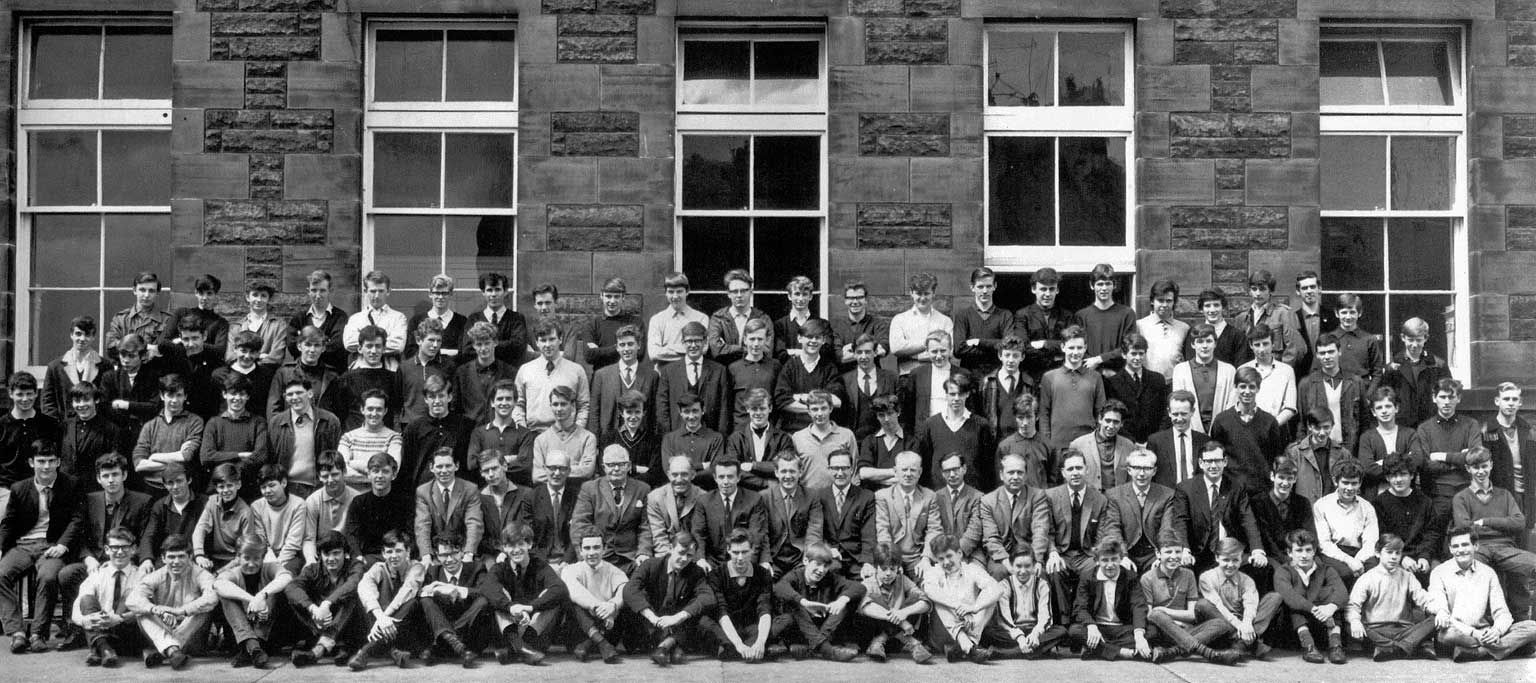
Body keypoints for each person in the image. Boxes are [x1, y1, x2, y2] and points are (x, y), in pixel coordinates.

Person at [59, 452, 154, 648]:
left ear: (124, 475)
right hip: (97, 560)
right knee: (67, 574)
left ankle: (111, 634)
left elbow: (145, 536)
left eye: (115, 474)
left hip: (125, 559)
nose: (111, 480)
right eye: (106, 476)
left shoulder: (142, 501)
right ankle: (77, 629)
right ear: (98, 479)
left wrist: (144, 559)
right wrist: (87, 558)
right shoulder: (90, 500)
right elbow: (80, 536)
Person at [0, 443, 82, 653]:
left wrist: (63, 544)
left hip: (52, 546)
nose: (46, 467)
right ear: (31, 463)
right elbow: (8, 523)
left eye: (51, 461)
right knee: (0, 575)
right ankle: (17, 633)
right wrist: (1, 548)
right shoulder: (20, 488)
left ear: (58, 462)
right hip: (24, 545)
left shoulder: (71, 484)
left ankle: (38, 634)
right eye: (41, 462)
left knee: (47, 576)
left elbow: (77, 519)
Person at [1428, 526, 1536, 661]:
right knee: (1447, 634)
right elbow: (1442, 612)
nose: (1460, 550)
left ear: (1476, 546)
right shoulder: (1439, 572)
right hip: (1457, 631)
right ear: (1450, 549)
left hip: (1485, 630)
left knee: (1532, 627)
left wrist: (1497, 631)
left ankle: (1479, 652)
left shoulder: (1488, 573)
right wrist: (1474, 633)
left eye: (1465, 545)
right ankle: (1499, 648)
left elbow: (1502, 612)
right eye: (1455, 546)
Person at [1452, 445, 1536, 617]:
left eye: (1484, 466)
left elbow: (1519, 523)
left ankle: (1528, 626)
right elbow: (1465, 527)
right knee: (1476, 578)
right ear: (1468, 469)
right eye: (1476, 467)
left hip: (1506, 548)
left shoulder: (1504, 495)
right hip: (1478, 548)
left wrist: (1485, 521)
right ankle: (1485, 625)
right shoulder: (1461, 498)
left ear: (1491, 465)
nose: (1481, 471)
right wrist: (1504, 524)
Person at [1139, 530, 1241, 664]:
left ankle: (1172, 652)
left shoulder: (1188, 575)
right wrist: (1167, 617)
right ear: (1158, 554)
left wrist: (1167, 611)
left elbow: (1192, 614)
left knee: (1221, 623)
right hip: (1164, 630)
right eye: (1168, 552)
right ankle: (1210, 654)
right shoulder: (1148, 578)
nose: (1174, 556)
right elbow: (1150, 614)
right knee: (1157, 614)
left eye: (1177, 551)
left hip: (1188, 630)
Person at [126, 533, 217, 670]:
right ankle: (173, 651)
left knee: (204, 609)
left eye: (181, 556)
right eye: (171, 557)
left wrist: (181, 611)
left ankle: (168, 649)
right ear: (163, 558)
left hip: (191, 634)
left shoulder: (201, 574)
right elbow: (132, 599)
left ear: (190, 557)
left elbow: (212, 597)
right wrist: (156, 610)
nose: (176, 561)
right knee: (142, 612)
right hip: (163, 629)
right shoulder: (157, 575)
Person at [1346, 533, 1439, 661]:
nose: (1394, 557)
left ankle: (1390, 649)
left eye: (1397, 553)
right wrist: (1355, 621)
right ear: (1378, 553)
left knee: (1436, 619)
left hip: (1404, 630)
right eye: (1389, 552)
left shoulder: (1407, 576)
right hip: (1376, 630)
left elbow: (1423, 598)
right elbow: (1353, 606)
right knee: (1350, 625)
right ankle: (1410, 646)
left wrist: (1439, 611)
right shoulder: (1367, 578)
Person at [623, 528, 708, 666]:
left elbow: (707, 596)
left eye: (690, 555)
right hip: (653, 622)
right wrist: (652, 617)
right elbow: (629, 590)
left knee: (698, 610)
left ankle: (663, 648)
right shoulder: (651, 565)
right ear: (670, 548)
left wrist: (678, 617)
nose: (684, 559)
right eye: (681, 553)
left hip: (678, 623)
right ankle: (672, 646)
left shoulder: (696, 572)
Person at [1177, 441, 1264, 573]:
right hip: (1200, 554)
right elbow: (1180, 521)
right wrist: (1184, 549)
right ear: (1201, 463)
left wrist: (1257, 549)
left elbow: (1248, 519)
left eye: (1217, 461)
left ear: (1225, 462)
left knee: (1262, 567)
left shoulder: (1236, 487)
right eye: (1208, 461)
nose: (1213, 466)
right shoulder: (1186, 489)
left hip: (1231, 552)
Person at [1408, 377, 1483, 528]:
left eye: (1451, 397)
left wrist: (1443, 456)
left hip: (1466, 491)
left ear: (1459, 398)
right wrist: (1459, 460)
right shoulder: (1424, 428)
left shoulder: (1471, 425)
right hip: (1436, 494)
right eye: (1442, 397)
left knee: (1467, 537)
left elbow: (1476, 458)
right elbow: (1426, 465)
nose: (1447, 401)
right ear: (1434, 398)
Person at [348, 528, 426, 670]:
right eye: (389, 552)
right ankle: (394, 652)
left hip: (407, 627)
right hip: (386, 625)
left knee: (412, 602)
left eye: (398, 551)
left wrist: (383, 618)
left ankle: (366, 651)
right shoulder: (379, 568)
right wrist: (380, 618)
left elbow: (405, 592)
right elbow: (364, 587)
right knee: (366, 599)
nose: (394, 556)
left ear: (408, 552)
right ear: (383, 554)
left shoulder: (417, 567)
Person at [69, 526, 146, 667]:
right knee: (86, 599)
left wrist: (119, 618)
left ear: (133, 549)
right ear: (106, 550)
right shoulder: (97, 575)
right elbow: (77, 605)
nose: (120, 552)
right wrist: (84, 620)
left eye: (125, 547)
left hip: (127, 633)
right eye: (115, 547)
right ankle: (105, 649)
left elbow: (147, 610)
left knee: (131, 596)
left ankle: (99, 649)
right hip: (101, 629)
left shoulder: (142, 576)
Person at [775, 542, 865, 661]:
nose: (821, 570)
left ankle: (811, 648)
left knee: (845, 603)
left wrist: (841, 601)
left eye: (825, 566)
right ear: (806, 561)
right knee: (795, 606)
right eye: (817, 564)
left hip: (823, 629)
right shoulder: (795, 576)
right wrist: (803, 602)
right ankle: (827, 650)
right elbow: (779, 587)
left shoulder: (830, 578)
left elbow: (860, 587)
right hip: (800, 631)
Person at [286, 530, 364, 667]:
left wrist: (327, 603)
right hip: (320, 624)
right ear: (320, 555)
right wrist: (313, 609)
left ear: (345, 553)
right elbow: (291, 587)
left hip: (347, 625)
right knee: (295, 599)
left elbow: (353, 583)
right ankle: (338, 647)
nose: (331, 559)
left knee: (352, 596)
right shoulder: (313, 570)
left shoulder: (354, 565)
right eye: (326, 554)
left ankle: (318, 651)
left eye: (336, 553)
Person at [570, 445, 652, 574]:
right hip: (599, 556)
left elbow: (645, 526)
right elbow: (579, 525)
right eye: (611, 465)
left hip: (631, 558)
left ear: (629, 466)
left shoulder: (642, 489)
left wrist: (643, 553)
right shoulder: (590, 489)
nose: (616, 469)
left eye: (621, 464)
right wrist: (585, 557)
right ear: (603, 467)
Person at [1044, 450, 1110, 612]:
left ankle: (1085, 617)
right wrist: (1052, 552)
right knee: (1055, 569)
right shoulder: (1050, 496)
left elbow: (1101, 535)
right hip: (1061, 553)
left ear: (1086, 470)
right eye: (1071, 469)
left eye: (1079, 468)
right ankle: (1064, 620)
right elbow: (1047, 530)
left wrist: (1097, 556)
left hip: (1086, 554)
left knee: (1095, 570)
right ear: (1063, 473)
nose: (1075, 473)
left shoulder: (1099, 499)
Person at [211, 533, 290, 668]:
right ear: (238, 557)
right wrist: (253, 599)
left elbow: (286, 577)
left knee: (275, 588)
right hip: (239, 635)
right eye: (246, 558)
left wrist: (262, 596)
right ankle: (253, 646)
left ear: (263, 558)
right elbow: (218, 584)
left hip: (267, 632)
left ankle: (252, 649)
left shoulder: (269, 568)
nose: (251, 564)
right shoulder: (233, 573)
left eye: (256, 558)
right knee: (225, 595)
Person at [1101, 448, 1185, 572]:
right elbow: (1113, 529)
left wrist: (1163, 556)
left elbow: (1166, 529)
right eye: (1136, 468)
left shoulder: (1167, 495)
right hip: (1127, 551)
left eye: (1147, 468)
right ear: (1129, 470)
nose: (1141, 474)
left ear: (1154, 471)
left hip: (1153, 553)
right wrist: (1122, 556)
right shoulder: (1114, 495)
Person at [701, 528, 777, 662]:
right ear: (728, 550)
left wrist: (760, 641)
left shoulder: (763, 574)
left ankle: (738, 649)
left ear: (753, 550)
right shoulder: (716, 575)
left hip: (751, 626)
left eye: (745, 552)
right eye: (736, 552)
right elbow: (721, 612)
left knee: (782, 621)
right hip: (726, 627)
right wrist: (739, 644)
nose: (740, 558)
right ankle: (744, 649)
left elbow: (764, 609)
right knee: (704, 622)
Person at [1273, 528, 1348, 664]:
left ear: (1314, 551)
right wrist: (1315, 609)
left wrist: (1331, 607)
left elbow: (1342, 591)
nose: (1304, 555)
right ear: (1290, 553)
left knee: (1333, 597)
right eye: (1299, 551)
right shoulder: (1283, 571)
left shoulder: (1326, 569)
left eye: (1308, 550)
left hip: (1324, 624)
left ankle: (1335, 645)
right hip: (1295, 629)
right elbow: (1290, 596)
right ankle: (1309, 647)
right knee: (1296, 604)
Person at [1198, 538, 1281, 660]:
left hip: (1242, 623)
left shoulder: (1246, 580)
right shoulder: (1207, 578)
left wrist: (1247, 623)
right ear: (1217, 558)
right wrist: (1240, 627)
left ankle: (1241, 644)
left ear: (1241, 559)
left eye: (1235, 560)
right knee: (1203, 605)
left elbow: (1250, 604)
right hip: (1220, 622)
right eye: (1225, 560)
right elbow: (1218, 606)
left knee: (1274, 597)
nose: (1230, 565)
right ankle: (1249, 643)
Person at [1068, 538, 1150, 661]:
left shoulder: (1130, 577)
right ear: (1097, 561)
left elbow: (1138, 605)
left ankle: (1097, 649)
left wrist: (1139, 636)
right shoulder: (1087, 577)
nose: (1110, 565)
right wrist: (1091, 626)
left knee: (1152, 632)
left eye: (1114, 559)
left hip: (1122, 628)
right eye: (1105, 560)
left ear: (1121, 559)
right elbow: (1080, 607)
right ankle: (1122, 652)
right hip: (1098, 627)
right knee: (1075, 631)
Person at [415, 531, 488, 668]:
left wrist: (457, 590)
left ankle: (447, 640)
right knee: (426, 601)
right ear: (437, 555)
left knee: (483, 601)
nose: (449, 559)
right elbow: (419, 594)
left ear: (462, 552)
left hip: (468, 634)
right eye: (443, 555)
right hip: (443, 624)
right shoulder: (432, 571)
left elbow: (486, 592)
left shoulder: (476, 567)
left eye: (454, 553)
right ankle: (455, 644)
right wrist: (436, 589)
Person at [981, 545, 1065, 660]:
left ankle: (1005, 653)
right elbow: (1004, 619)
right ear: (1011, 566)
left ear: (1034, 565)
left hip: (1034, 630)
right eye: (1018, 566)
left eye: (1027, 566)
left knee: (1061, 631)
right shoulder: (1004, 585)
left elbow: (1046, 616)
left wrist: (1036, 634)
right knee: (987, 632)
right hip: (1012, 631)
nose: (1023, 571)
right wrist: (1020, 637)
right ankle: (1037, 651)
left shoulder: (1042, 585)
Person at [1208, 366, 1286, 488]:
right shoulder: (1222, 420)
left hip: (1261, 490)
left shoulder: (1269, 422)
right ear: (1235, 388)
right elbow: (1215, 456)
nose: (1247, 391)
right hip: (1231, 491)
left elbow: (1275, 457)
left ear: (1258, 389)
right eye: (1243, 386)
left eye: (1252, 387)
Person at [917, 372, 996, 491]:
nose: (956, 398)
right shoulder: (931, 425)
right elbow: (925, 463)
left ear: (968, 394)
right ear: (946, 395)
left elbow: (987, 466)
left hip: (972, 495)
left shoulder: (981, 425)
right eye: (952, 394)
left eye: (961, 394)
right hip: (938, 494)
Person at [857, 542, 934, 663]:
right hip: (872, 635)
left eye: (892, 569)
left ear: (898, 568)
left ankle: (881, 640)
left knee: (915, 597)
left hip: (896, 639)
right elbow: (865, 607)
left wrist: (904, 612)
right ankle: (912, 642)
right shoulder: (868, 582)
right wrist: (901, 621)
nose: (888, 573)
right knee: (871, 601)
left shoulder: (902, 579)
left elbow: (926, 602)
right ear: (876, 567)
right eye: (883, 569)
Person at [267, 374, 342, 497]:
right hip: (287, 487)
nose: (294, 397)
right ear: (285, 398)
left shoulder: (329, 421)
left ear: (310, 394)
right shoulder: (276, 423)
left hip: (318, 487)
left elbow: (335, 455)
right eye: (290, 394)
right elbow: (271, 458)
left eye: (299, 393)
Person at [978, 453, 1051, 579]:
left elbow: (1040, 530)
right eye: (1011, 472)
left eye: (1020, 472)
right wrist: (1007, 563)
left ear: (1026, 475)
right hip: (1002, 555)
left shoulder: (1037, 497)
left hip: (1029, 552)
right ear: (1002, 475)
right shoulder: (988, 501)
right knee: (999, 572)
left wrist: (1035, 560)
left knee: (1040, 573)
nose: (1015, 477)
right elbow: (991, 538)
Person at [413, 448, 486, 570]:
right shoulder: (423, 491)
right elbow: (422, 525)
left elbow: (474, 523)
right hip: (437, 552)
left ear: (456, 466)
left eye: (448, 466)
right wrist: (426, 555)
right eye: (439, 466)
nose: (444, 471)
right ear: (431, 468)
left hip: (461, 551)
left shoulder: (470, 489)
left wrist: (468, 554)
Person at [654, 321, 730, 435]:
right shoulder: (669, 371)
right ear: (683, 343)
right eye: (689, 341)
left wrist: (720, 438)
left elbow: (724, 409)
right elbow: (662, 408)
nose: (693, 345)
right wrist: (669, 437)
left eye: (697, 340)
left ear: (705, 342)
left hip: (709, 438)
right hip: (677, 437)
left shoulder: (719, 370)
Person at [514, 318, 590, 432]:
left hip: (566, 434)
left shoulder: (576, 371)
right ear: (537, 342)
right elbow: (517, 404)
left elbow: (584, 406)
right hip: (533, 433)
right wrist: (522, 431)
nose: (548, 345)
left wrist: (576, 432)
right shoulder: (525, 370)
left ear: (560, 339)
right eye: (543, 340)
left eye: (552, 339)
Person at [873, 451, 941, 578]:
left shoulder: (929, 496)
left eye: (913, 470)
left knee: (930, 586)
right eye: (904, 469)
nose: (908, 474)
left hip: (918, 557)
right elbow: (883, 531)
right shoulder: (883, 496)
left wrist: (926, 558)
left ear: (920, 472)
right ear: (895, 471)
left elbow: (934, 530)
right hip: (892, 557)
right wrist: (891, 561)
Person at [561, 532, 626, 663]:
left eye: (596, 547)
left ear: (604, 549)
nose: (591, 552)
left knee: (623, 601)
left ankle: (591, 643)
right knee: (571, 600)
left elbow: (625, 589)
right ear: (580, 550)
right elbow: (576, 592)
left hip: (607, 629)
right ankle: (600, 642)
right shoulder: (570, 570)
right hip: (579, 632)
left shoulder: (614, 571)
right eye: (587, 548)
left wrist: (612, 606)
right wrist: (601, 608)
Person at [1039, 325, 1106, 454]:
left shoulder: (1095, 377)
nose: (1075, 352)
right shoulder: (1049, 377)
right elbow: (1044, 414)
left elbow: (1101, 412)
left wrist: (1099, 441)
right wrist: (1047, 443)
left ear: (1085, 348)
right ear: (1063, 347)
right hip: (1058, 444)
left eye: (1079, 348)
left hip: (1088, 443)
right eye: (1071, 348)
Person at [1375, 317, 1451, 430]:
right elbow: (1385, 398)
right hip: (1402, 427)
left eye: (1418, 340)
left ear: (1426, 338)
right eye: (1410, 340)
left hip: (1431, 425)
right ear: (1403, 338)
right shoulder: (1393, 367)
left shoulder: (1437, 365)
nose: (1414, 345)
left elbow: (1447, 395)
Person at [200, 373, 268, 499]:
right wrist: (239, 455)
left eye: (242, 394)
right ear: (224, 394)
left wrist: (231, 474)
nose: (237, 398)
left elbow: (260, 456)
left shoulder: (258, 422)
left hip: (248, 490)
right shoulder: (214, 423)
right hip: (218, 490)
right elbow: (206, 457)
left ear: (247, 396)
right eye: (233, 393)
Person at [1313, 458, 1379, 586]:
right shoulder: (1321, 505)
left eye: (1354, 483)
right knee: (1345, 573)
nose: (1349, 488)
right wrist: (1349, 561)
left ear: (1360, 483)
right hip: (1333, 552)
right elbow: (1324, 543)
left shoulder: (1367, 507)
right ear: (1335, 481)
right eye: (1345, 482)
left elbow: (1371, 541)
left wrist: (1358, 560)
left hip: (1360, 553)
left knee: (1375, 571)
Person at [692, 458, 767, 570]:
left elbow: (756, 537)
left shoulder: (754, 500)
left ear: (738, 477)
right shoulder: (704, 501)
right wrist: (701, 559)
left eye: (730, 476)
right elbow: (698, 534)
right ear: (715, 478)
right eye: (721, 477)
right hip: (713, 562)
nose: (725, 482)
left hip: (744, 560)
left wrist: (746, 566)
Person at [1248, 455, 1315, 580]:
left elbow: (1309, 534)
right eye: (1281, 478)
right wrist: (1289, 562)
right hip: (1272, 556)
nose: (1285, 483)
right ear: (1272, 476)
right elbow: (1267, 539)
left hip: (1298, 553)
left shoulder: (1302, 503)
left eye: (1290, 478)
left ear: (1295, 479)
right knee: (1283, 575)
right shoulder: (1259, 502)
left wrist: (1299, 557)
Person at [813, 450, 877, 578]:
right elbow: (816, 532)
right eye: (835, 468)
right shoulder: (819, 496)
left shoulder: (866, 497)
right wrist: (826, 551)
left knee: (868, 585)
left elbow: (868, 534)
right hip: (829, 557)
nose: (840, 473)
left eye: (844, 468)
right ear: (829, 469)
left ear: (852, 469)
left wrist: (867, 562)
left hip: (857, 560)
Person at [402, 375, 477, 485]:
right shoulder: (413, 428)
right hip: (424, 490)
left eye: (441, 396)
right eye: (432, 397)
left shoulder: (466, 426)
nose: (437, 401)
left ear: (450, 397)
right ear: (426, 399)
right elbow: (407, 467)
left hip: (458, 489)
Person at [1373, 455, 1440, 578]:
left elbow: (1432, 533)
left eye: (1403, 474)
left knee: (1439, 572)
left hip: (1421, 556)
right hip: (1394, 556)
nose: (1398, 479)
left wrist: (1424, 556)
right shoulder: (1379, 503)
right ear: (1387, 478)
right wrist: (1401, 557)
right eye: (1393, 475)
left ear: (1412, 475)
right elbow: (1382, 536)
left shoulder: (1425, 501)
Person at [325, 324, 402, 431]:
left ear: (384, 349)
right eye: (369, 346)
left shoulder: (393, 378)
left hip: (384, 438)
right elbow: (339, 412)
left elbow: (396, 410)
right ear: (360, 349)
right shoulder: (346, 379)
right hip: (354, 438)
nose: (373, 351)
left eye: (378, 346)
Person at [774, 318, 844, 433]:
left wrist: (802, 397)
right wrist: (817, 408)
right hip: (793, 431)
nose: (813, 341)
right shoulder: (789, 367)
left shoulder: (829, 368)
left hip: (822, 431)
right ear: (800, 338)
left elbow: (837, 401)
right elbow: (782, 402)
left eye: (817, 337)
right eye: (809, 337)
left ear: (823, 340)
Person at [1297, 333, 1363, 454]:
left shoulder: (1355, 382)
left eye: (1331, 352)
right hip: (1318, 448)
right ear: (1317, 355)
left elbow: (1364, 421)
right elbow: (1302, 423)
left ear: (1339, 351)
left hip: (1349, 448)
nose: (1327, 357)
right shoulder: (1307, 384)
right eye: (1322, 353)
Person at [342, 453, 416, 560]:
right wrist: (358, 556)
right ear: (369, 474)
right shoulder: (359, 502)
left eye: (385, 471)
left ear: (394, 475)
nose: (380, 476)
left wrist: (407, 554)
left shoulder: (404, 502)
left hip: (396, 556)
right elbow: (352, 535)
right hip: (368, 558)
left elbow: (410, 533)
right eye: (375, 471)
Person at [588, 324, 656, 437]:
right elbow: (594, 413)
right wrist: (594, 441)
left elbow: (654, 413)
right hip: (608, 440)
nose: (626, 349)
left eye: (630, 344)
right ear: (617, 348)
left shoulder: (651, 376)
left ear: (638, 345)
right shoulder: (601, 375)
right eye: (622, 345)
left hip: (641, 441)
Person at [763, 451, 822, 578]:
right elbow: (762, 533)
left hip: (799, 558)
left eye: (792, 471)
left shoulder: (812, 496)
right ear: (776, 473)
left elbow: (814, 531)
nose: (788, 476)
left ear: (800, 472)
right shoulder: (764, 497)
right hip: (774, 559)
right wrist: (765, 560)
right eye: (783, 471)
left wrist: (809, 558)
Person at [1011, 267, 1075, 384]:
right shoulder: (1022, 315)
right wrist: (1056, 352)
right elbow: (1022, 346)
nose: (1047, 294)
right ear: (1034, 289)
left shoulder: (1067, 316)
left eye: (1051, 289)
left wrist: (1045, 344)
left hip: (1060, 376)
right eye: (1043, 289)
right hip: (1032, 376)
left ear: (1057, 290)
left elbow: (1072, 345)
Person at [1171, 323, 1238, 433]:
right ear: (1193, 344)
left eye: (1209, 341)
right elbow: (1179, 403)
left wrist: (1221, 427)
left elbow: (1231, 404)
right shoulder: (1181, 370)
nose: (1205, 346)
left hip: (1222, 430)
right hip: (1191, 429)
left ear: (1215, 343)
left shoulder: (1228, 371)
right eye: (1200, 342)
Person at [42, 315, 110, 422]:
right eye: (78, 334)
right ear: (71, 335)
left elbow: (106, 401)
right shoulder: (55, 367)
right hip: (64, 429)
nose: (82, 339)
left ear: (93, 337)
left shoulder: (105, 366)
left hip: (95, 428)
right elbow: (48, 403)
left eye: (87, 335)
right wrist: (57, 426)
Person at [1104, 332, 1169, 443]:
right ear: (1124, 355)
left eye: (1141, 354)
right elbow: (1114, 415)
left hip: (1154, 441)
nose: (1137, 358)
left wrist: (1156, 439)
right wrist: (1131, 441)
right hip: (1125, 442)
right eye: (1133, 354)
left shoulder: (1157, 379)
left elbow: (1165, 412)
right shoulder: (1112, 383)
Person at [140, 463, 206, 570]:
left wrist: (200, 555)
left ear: (189, 480)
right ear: (165, 485)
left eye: (179, 481)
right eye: (170, 483)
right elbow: (149, 535)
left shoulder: (204, 503)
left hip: (195, 559)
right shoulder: (160, 506)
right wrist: (146, 559)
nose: (175, 486)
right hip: (169, 560)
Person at [1484, 381, 1536, 518]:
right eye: (1506, 399)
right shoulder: (1486, 431)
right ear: (1497, 401)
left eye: (1515, 399)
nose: (1511, 403)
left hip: (1527, 496)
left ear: (1520, 402)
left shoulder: (1529, 431)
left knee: (1525, 536)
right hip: (1500, 496)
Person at [469, 380, 535, 486]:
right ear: (492, 402)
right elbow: (472, 464)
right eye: (500, 399)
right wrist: (509, 459)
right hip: (487, 493)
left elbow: (525, 466)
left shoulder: (525, 434)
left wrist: (488, 464)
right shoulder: (479, 433)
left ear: (515, 402)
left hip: (517, 492)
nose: (504, 403)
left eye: (508, 399)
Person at [951, 267, 1015, 375]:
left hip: (997, 375)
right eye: (980, 287)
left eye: (988, 286)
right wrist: (995, 346)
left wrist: (979, 342)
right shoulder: (962, 316)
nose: (985, 291)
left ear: (995, 286)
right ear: (972, 287)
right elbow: (958, 350)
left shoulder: (1005, 315)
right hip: (969, 375)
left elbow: (1008, 346)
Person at [727, 388, 794, 491]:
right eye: (754, 408)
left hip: (774, 495)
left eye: (762, 408)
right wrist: (766, 483)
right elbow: (733, 470)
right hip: (746, 493)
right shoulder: (736, 438)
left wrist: (754, 466)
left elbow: (784, 466)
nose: (758, 413)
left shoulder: (783, 438)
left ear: (770, 408)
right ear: (747, 409)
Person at [1234, 269, 1303, 368]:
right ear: (1249, 291)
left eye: (1262, 289)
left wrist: (1282, 370)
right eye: (1254, 289)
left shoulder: (1283, 314)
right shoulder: (1242, 318)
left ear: (1270, 290)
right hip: (1250, 374)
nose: (1258, 293)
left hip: (1274, 372)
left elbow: (1296, 348)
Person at [59, 382, 123, 488]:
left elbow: (114, 463)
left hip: (95, 489)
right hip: (67, 488)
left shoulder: (111, 429)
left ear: (96, 400)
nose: (81, 405)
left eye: (86, 400)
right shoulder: (64, 426)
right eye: (77, 401)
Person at [707, 269, 775, 368]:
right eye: (735, 291)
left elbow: (767, 351)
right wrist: (748, 349)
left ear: (751, 292)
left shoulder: (763, 319)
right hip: (725, 373)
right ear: (728, 293)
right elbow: (717, 351)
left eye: (743, 291)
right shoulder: (718, 318)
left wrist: (729, 348)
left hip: (755, 371)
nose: (739, 295)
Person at [791, 390, 857, 492]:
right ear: (808, 411)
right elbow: (794, 471)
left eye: (823, 408)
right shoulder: (798, 437)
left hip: (838, 497)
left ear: (831, 408)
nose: (820, 413)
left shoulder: (846, 435)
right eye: (815, 409)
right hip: (808, 498)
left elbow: (854, 470)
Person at [890, 272, 953, 377]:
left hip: (937, 376)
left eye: (926, 293)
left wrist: (913, 356)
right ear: (911, 293)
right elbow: (896, 348)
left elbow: (949, 352)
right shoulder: (899, 319)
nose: (922, 298)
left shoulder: (945, 321)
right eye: (919, 293)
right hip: (908, 377)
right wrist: (928, 344)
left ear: (933, 293)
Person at [269, 325, 339, 419]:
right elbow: (273, 409)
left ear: (323, 349)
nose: (312, 350)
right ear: (299, 346)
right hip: (291, 429)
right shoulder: (284, 374)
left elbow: (339, 410)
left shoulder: (331, 376)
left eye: (317, 345)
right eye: (308, 345)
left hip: (322, 429)